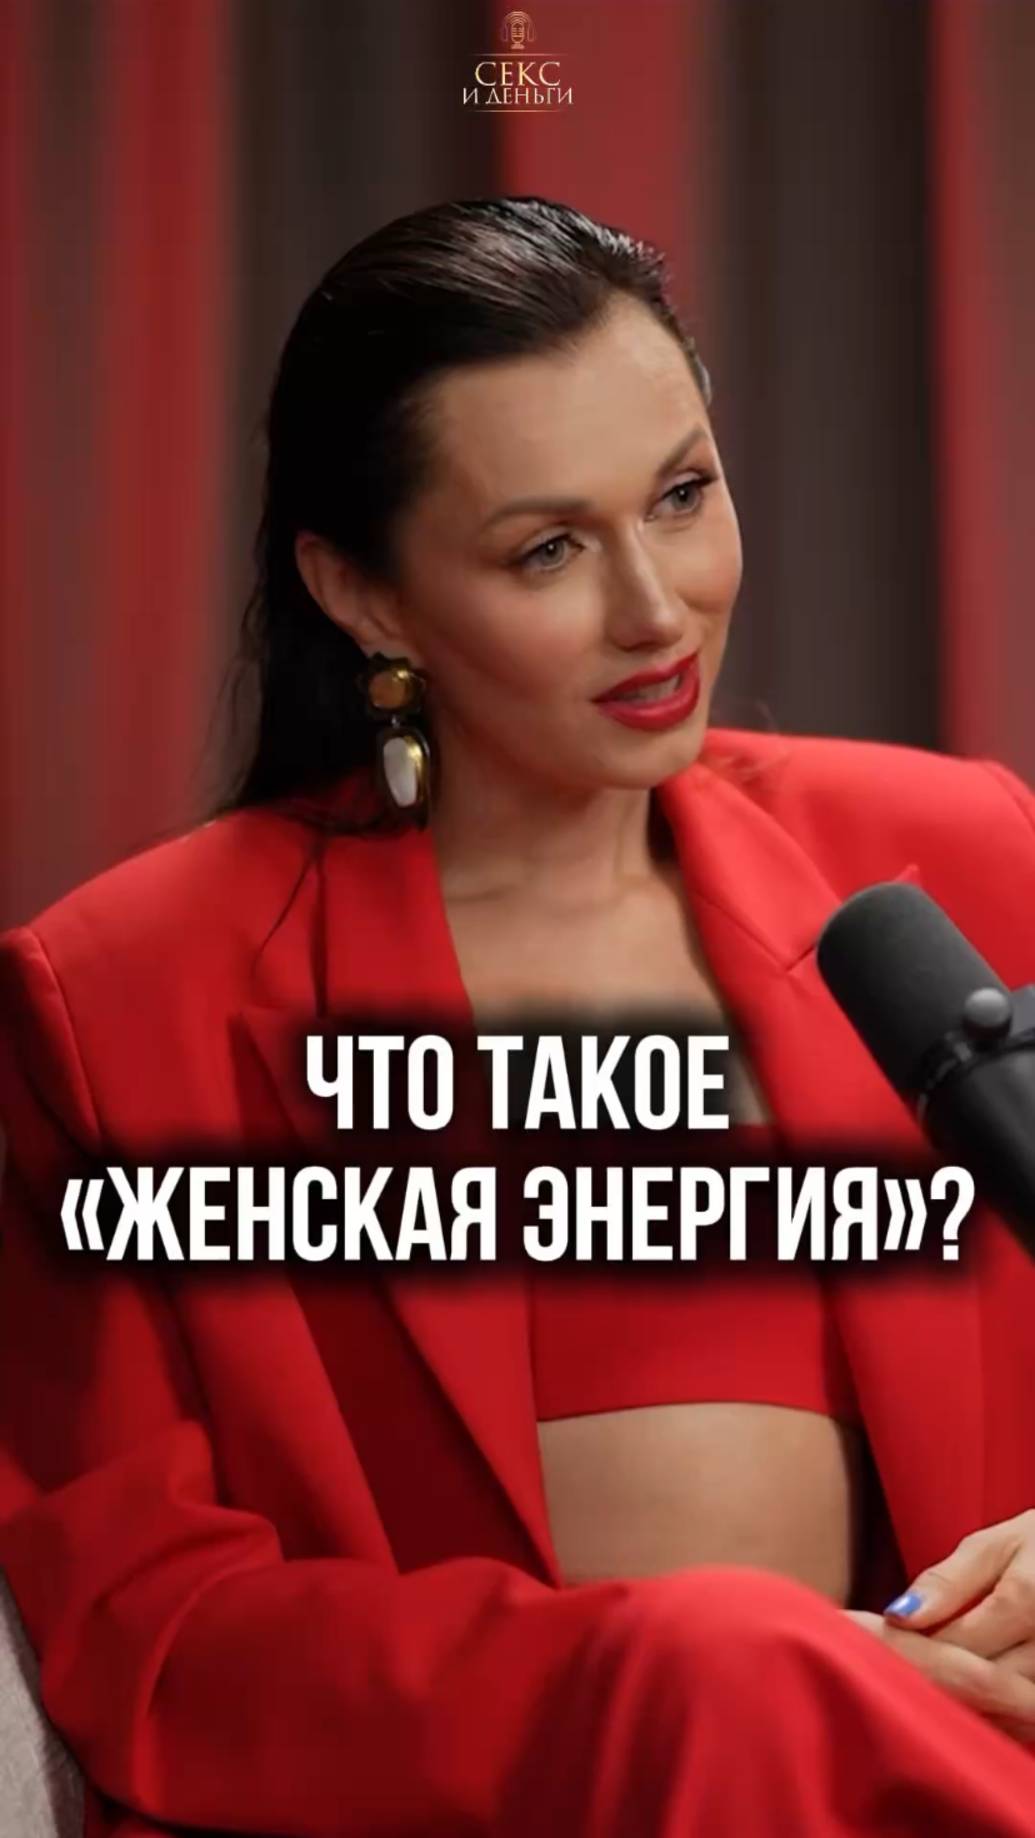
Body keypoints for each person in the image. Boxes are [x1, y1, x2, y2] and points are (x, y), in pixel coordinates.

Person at [4, 194, 1035, 1837]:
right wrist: (694, 1674)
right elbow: (157, 1632)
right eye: (548, 549)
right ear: (362, 592)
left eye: (682, 496)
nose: (657, 608)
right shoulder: (121, 997)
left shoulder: (960, 855)